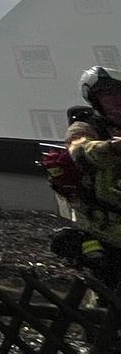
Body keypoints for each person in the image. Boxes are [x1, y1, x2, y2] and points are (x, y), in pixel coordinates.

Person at [62, 66, 121, 280]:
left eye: (118, 93)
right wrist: (111, 147)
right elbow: (79, 151)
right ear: (96, 101)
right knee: (108, 287)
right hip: (104, 225)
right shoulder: (84, 127)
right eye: (106, 95)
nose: (115, 100)